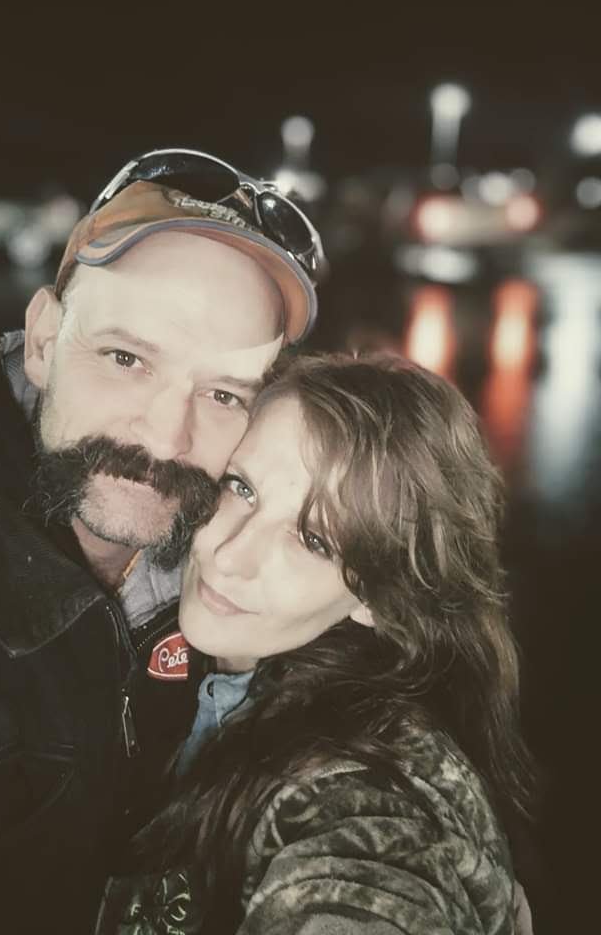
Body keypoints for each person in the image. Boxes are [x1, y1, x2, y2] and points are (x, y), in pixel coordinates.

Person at [0, 149, 324, 933]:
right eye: (127, 359)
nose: (166, 434)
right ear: (45, 338)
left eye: (223, 394)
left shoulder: (245, 569)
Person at [96, 352, 537, 935]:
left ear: (376, 597)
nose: (229, 555)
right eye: (242, 487)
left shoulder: (368, 803)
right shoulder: (191, 656)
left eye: (313, 539)